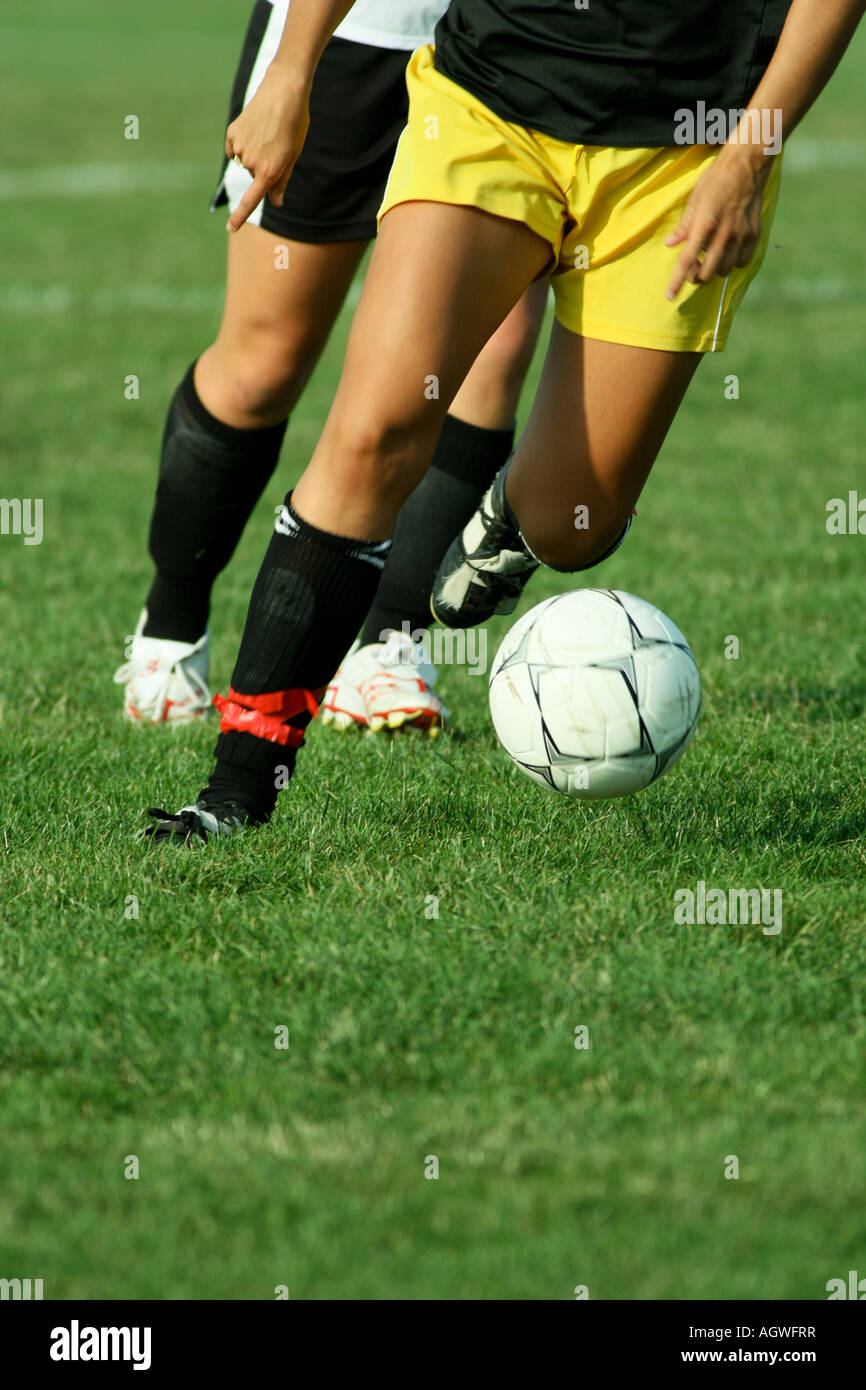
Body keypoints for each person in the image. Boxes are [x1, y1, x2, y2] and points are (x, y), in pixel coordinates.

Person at [140, 0, 863, 844]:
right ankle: (235, 789)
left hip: (685, 150)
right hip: (491, 102)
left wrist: (750, 154)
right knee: (374, 428)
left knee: (573, 525)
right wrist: (294, 68)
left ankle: (514, 519)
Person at [113, 0, 548, 736]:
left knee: (490, 353)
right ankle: (171, 628)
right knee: (265, 361)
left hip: (507, 51)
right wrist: (291, 69)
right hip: (355, 37)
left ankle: (386, 647)